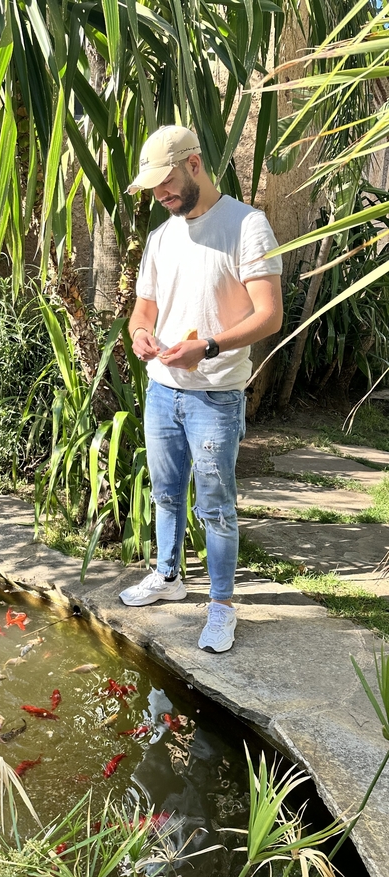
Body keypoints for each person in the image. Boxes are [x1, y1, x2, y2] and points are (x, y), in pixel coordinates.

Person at [118, 125, 283, 653]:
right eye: (152, 190)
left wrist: (208, 346)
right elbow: (142, 312)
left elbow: (269, 316)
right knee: (165, 493)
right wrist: (142, 335)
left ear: (193, 164)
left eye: (165, 184)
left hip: (215, 394)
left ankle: (221, 606)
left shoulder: (246, 226)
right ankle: (168, 577)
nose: (160, 196)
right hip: (163, 389)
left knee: (215, 507)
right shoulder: (161, 237)